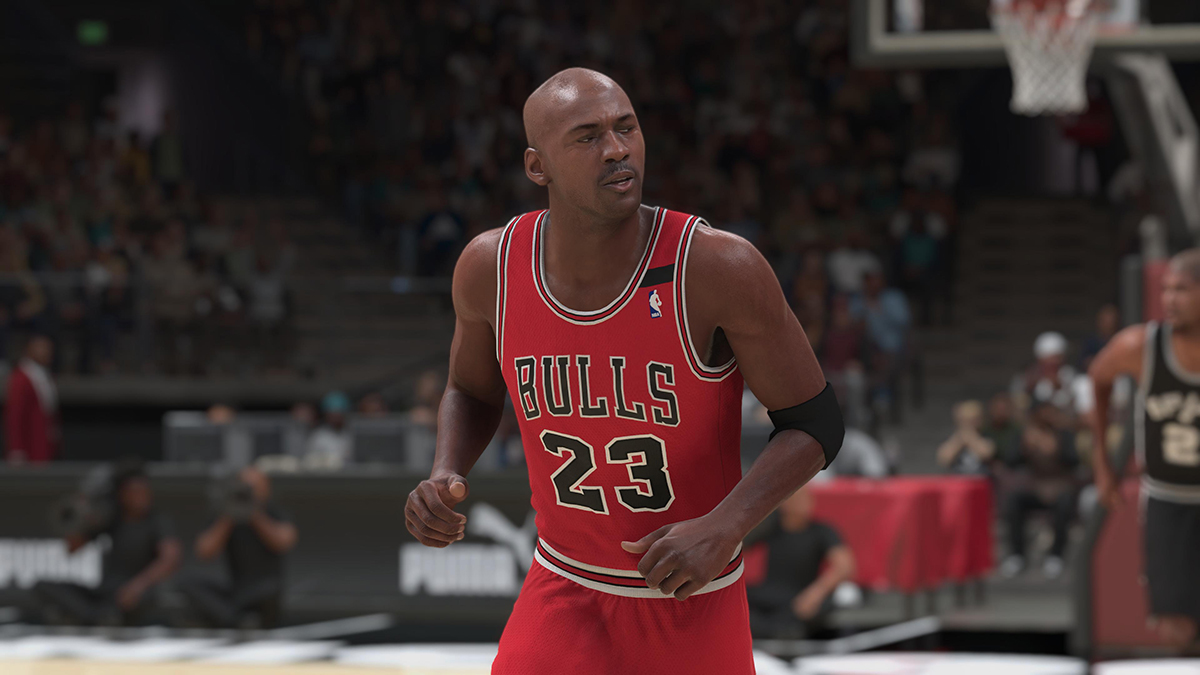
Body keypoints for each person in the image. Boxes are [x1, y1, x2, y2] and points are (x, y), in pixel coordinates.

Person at [404, 68, 840, 675]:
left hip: (690, 600)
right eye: (587, 137)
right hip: (562, 588)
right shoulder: (490, 267)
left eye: (626, 128)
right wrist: (446, 470)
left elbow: (816, 423)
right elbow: (472, 389)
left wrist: (726, 526)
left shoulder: (717, 266)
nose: (616, 149)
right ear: (537, 167)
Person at [1089, 249, 1200, 648]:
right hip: (1168, 497)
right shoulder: (1140, 346)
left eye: (1182, 290)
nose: (1169, 299)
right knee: (1173, 625)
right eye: (1166, 289)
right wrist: (1102, 463)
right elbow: (1098, 378)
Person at [33, 461, 181, 625]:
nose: (142, 496)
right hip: (105, 592)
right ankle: (96, 617)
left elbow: (170, 559)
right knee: (43, 585)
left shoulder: (157, 521)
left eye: (145, 491)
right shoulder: (112, 519)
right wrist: (84, 517)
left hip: (135, 593)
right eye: (136, 491)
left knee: (146, 600)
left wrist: (138, 586)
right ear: (122, 494)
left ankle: (99, 617)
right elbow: (71, 549)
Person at [180, 467, 297, 628]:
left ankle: (240, 621)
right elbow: (203, 552)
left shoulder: (273, 512)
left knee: (270, 589)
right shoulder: (226, 513)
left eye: (254, 487)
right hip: (237, 592)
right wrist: (229, 516)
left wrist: (255, 514)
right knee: (188, 582)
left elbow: (284, 543)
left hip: (264, 592)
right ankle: (237, 621)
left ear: (266, 488)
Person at [744, 486, 855, 638]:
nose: (803, 503)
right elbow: (739, 547)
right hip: (769, 595)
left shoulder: (821, 531)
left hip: (801, 596)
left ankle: (782, 631)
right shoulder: (771, 528)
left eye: (806, 499)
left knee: (823, 607)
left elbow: (844, 567)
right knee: (742, 602)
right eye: (796, 499)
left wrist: (816, 593)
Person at [997, 404, 1080, 580]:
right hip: (1035, 487)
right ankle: (1017, 555)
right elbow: (1010, 461)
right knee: (1013, 500)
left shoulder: (1065, 434)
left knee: (1065, 503)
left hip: (1060, 487)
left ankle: (1056, 556)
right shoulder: (1025, 434)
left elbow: (1074, 461)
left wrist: (1055, 448)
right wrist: (1024, 446)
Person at [5, 335, 60, 464]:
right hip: (30, 446)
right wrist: (16, 449)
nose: (46, 352)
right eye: (41, 348)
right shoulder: (21, 378)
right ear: (28, 349)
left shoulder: (44, 374)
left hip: (45, 442)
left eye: (48, 348)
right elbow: (15, 415)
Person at [937, 400, 995, 476]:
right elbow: (944, 459)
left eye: (973, 420)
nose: (969, 424)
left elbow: (986, 454)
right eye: (965, 420)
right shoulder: (955, 438)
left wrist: (971, 438)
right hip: (958, 480)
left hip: (981, 480)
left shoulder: (987, 436)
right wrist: (959, 440)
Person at [303, 391, 352, 470]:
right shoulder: (318, 436)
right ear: (326, 414)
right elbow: (309, 463)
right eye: (332, 414)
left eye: (339, 414)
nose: (336, 417)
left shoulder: (351, 435)